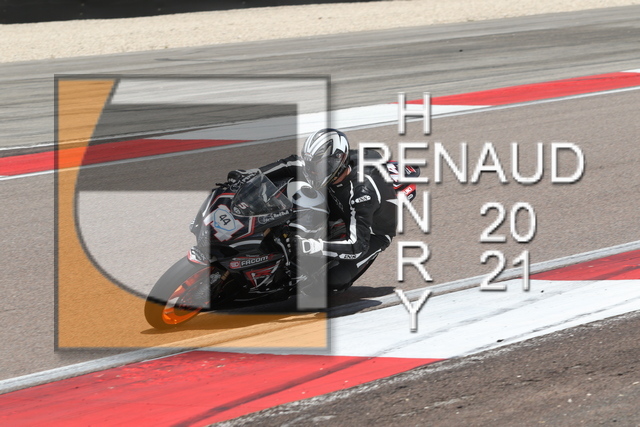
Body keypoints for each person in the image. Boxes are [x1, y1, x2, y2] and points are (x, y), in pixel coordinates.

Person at [228, 128, 397, 292]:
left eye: (321, 166)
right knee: (293, 185)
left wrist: (309, 246)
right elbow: (292, 163)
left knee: (328, 282)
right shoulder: (330, 166)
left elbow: (357, 245)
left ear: (339, 159)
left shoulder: (363, 193)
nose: (314, 171)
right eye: (312, 165)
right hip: (337, 200)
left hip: (371, 234)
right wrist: (253, 174)